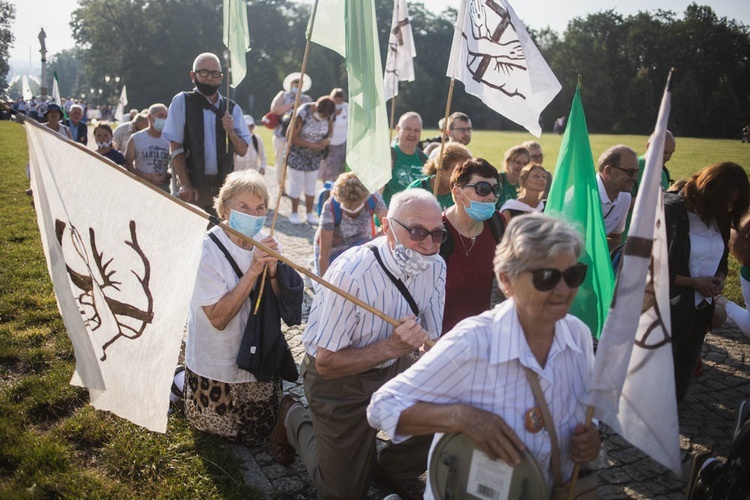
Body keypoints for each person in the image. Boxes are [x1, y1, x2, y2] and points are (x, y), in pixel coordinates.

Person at [367, 213, 601, 498]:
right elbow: (382, 406)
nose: (564, 290)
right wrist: (459, 417)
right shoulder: (473, 341)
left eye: (573, 275)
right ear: (506, 281)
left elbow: (583, 412)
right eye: (546, 277)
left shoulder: (577, 335)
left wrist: (590, 438)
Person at [270, 189, 446, 500]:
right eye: (418, 232)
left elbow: (430, 340)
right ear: (387, 226)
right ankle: (293, 416)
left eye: (437, 233)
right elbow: (326, 362)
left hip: (393, 368)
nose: (429, 244)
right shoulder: (353, 274)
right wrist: (393, 347)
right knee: (343, 493)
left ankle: (390, 467)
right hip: (339, 381)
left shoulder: (436, 266)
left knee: (450, 402)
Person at [184, 170, 303, 445]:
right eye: (244, 207)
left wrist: (274, 272)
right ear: (225, 209)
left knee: (260, 431)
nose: (254, 214)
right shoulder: (207, 250)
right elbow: (217, 318)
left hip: (259, 354)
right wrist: (252, 271)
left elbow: (282, 303)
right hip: (217, 361)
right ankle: (180, 382)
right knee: (220, 433)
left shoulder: (269, 241)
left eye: (260, 207)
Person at [664, 162, 749, 402]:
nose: (731, 208)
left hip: (699, 311)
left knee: (682, 376)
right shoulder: (672, 212)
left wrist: (719, 278)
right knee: (659, 376)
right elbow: (651, 269)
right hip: (667, 310)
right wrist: (693, 282)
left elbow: (721, 260)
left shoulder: (720, 217)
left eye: (736, 203)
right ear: (710, 193)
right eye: (728, 201)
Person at [162, 52, 252, 214]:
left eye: (214, 73)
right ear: (193, 75)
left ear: (221, 78)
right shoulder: (182, 101)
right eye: (204, 72)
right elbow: (175, 145)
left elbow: (242, 150)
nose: (209, 77)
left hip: (223, 185)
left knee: (219, 233)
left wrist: (231, 132)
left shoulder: (232, 108)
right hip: (193, 183)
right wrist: (185, 184)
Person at [440, 158, 506, 334]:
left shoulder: (498, 223)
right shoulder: (436, 231)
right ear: (457, 193)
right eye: (483, 189)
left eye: (495, 189)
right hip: (441, 340)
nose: (491, 196)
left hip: (484, 335)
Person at [314, 172, 387, 277]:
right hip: (333, 249)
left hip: (361, 243)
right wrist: (324, 285)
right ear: (340, 199)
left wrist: (371, 242)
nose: (352, 208)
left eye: (356, 205)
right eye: (348, 205)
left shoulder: (373, 198)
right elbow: (324, 253)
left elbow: (388, 227)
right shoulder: (330, 207)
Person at [286, 96, 335, 225]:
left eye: (326, 116)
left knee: (311, 185)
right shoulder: (302, 113)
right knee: (296, 184)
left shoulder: (329, 115)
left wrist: (327, 140)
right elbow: (290, 136)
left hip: (315, 156)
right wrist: (311, 145)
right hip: (297, 154)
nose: (323, 118)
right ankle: (294, 212)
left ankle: (309, 213)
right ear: (317, 109)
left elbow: (330, 132)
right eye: (322, 115)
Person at [269, 72, 312, 191]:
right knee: (281, 162)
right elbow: (275, 110)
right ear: (291, 84)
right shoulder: (283, 95)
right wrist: (292, 104)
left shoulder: (306, 99)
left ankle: (295, 188)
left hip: (298, 137)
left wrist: (301, 105)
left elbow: (309, 115)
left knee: (296, 164)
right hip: (281, 135)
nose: (298, 85)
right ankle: (281, 186)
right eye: (296, 82)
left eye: (300, 83)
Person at [596, 145, 638, 253]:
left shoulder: (625, 198)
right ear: (608, 171)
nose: (635, 178)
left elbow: (615, 237)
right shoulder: (583, 195)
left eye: (636, 172)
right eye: (630, 172)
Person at [406, 142, 472, 210]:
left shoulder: (465, 193)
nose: (463, 176)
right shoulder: (416, 190)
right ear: (441, 170)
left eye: (465, 171)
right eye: (457, 170)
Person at [382, 112, 428, 206]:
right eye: (408, 129)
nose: (412, 134)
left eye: (416, 130)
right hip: (388, 218)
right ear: (398, 129)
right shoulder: (387, 156)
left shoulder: (425, 160)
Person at [124, 103, 171, 192]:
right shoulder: (136, 138)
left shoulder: (170, 140)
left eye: (166, 116)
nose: (164, 119)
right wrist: (147, 177)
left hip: (163, 189)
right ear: (149, 117)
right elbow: (128, 165)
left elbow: (176, 164)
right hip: (141, 187)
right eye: (160, 116)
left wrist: (167, 175)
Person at [317, 88, 348, 183]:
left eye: (340, 99)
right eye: (336, 99)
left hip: (341, 143)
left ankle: (335, 188)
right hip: (328, 144)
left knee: (339, 169)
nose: (338, 102)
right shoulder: (328, 108)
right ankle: (325, 188)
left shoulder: (347, 108)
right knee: (326, 169)